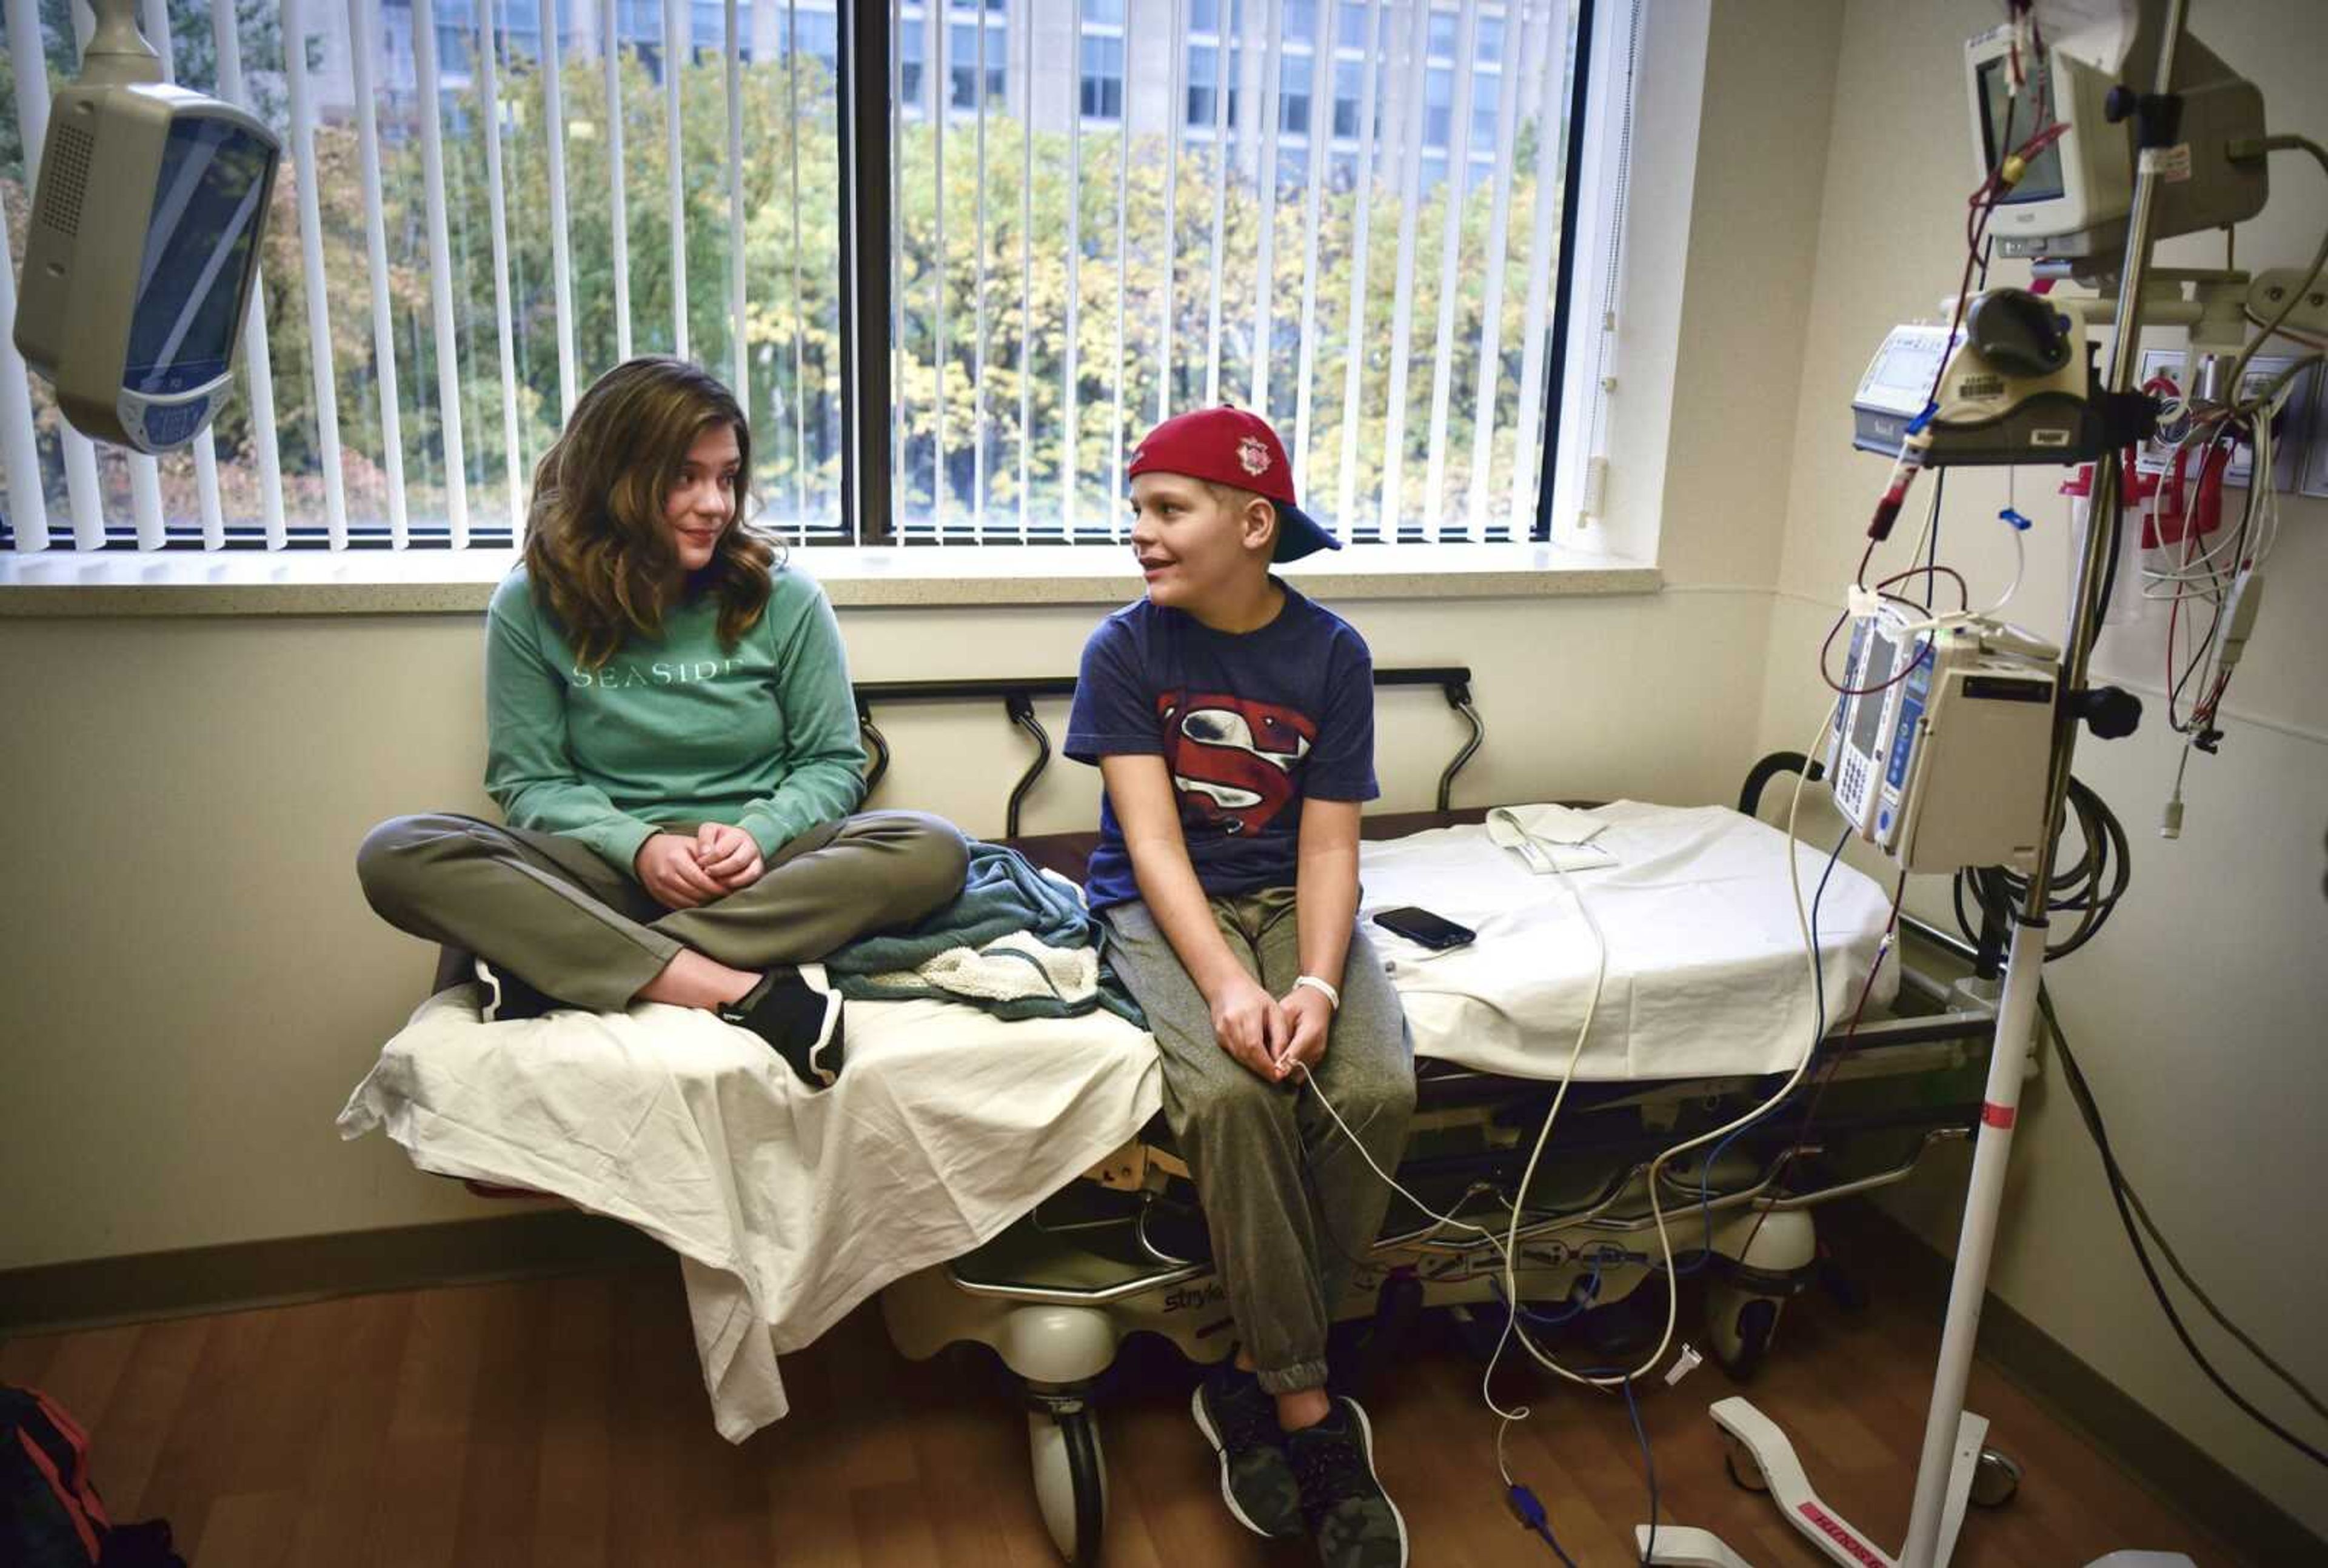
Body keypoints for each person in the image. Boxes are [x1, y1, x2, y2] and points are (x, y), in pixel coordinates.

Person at [357, 357, 966, 1088]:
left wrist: (756, 834)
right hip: (606, 872)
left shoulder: (786, 596)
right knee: (397, 852)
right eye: (685, 476)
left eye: (728, 476)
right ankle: (734, 987)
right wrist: (639, 846)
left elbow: (833, 763)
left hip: (761, 869)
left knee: (932, 847)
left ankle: (558, 967)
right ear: (617, 476)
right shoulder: (530, 603)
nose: (715, 503)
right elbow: (530, 782)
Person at [1064, 405, 1414, 1567]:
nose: (1142, 535)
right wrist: (1224, 987)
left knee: (1370, 1088)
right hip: (1164, 907)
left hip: (1290, 902)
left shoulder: (1333, 655)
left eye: (1169, 511)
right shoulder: (1127, 651)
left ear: (1254, 522)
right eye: (1139, 512)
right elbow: (1153, 847)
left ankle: (1253, 1373)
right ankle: (1311, 1415)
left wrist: (1317, 980)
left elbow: (1328, 848)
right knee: (1229, 1101)